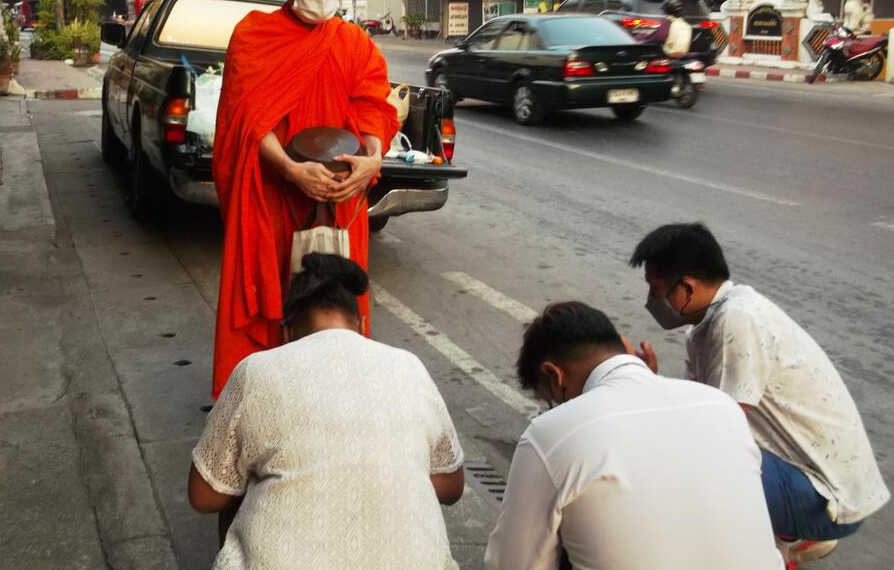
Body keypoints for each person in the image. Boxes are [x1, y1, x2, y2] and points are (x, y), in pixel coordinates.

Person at [210, 0, 400, 399]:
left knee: (336, 300)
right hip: (276, 201)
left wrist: (373, 159)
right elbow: (247, 122)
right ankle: (268, 400)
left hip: (339, 199)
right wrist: (294, 171)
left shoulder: (353, 41)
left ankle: (332, 395)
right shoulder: (254, 36)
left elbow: (374, 107)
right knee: (278, 297)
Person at [629, 223, 890, 565]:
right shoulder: (706, 326)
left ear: (688, 287)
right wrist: (650, 383)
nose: (652, 301)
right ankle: (784, 532)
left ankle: (767, 551)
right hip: (814, 482)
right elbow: (698, 407)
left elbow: (716, 429)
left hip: (827, 499)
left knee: (688, 462)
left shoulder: (736, 319)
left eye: (656, 289)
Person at [189, 253, 465, 569]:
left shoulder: (257, 370)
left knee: (236, 488)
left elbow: (204, 495)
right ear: (360, 325)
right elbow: (451, 486)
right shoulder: (410, 366)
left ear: (287, 331)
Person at [485, 301, 783, 570]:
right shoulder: (721, 405)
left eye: (553, 399)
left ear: (555, 375)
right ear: (623, 346)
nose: (557, 407)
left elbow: (511, 564)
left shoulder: (552, 433)